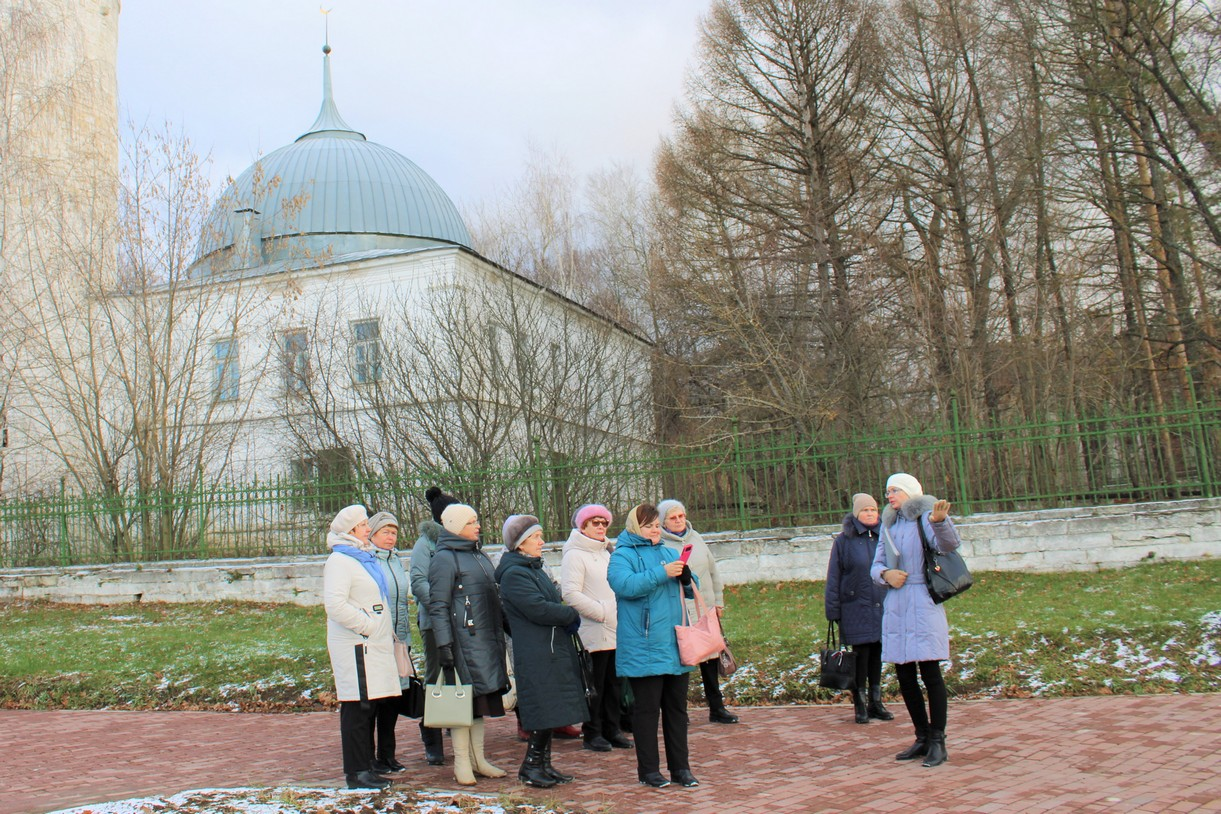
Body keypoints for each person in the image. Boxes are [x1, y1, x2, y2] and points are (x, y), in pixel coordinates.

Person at [871, 473, 962, 768]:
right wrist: (886, 575)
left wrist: (940, 522)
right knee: (905, 675)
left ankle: (938, 740)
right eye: (887, 491)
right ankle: (921, 736)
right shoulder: (889, 524)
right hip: (897, 603)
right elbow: (877, 564)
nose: (889, 496)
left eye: (894, 490)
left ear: (910, 492)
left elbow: (949, 545)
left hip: (923, 600)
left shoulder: (926, 517)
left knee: (930, 672)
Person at [608, 503, 700, 790]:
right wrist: (663, 573)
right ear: (636, 528)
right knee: (647, 713)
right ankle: (648, 771)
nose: (655, 530)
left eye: (657, 525)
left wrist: (686, 577)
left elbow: (690, 585)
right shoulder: (622, 555)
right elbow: (625, 586)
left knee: (677, 711)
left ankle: (681, 769)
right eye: (649, 526)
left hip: (674, 643)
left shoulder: (668, 552)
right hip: (644, 645)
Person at [496, 514, 589, 788]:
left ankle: (543, 764)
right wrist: (570, 613)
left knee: (551, 709)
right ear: (521, 543)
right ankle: (531, 766)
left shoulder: (532, 568)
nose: (542, 541)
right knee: (541, 708)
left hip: (549, 647)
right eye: (536, 537)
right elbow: (538, 608)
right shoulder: (515, 574)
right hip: (536, 651)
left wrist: (563, 612)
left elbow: (551, 599)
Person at [426, 502, 510, 786]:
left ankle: (479, 760)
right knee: (461, 703)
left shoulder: (478, 554)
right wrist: (444, 645)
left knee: (480, 701)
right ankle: (462, 762)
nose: (478, 526)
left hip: (486, 639)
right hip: (462, 641)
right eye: (471, 522)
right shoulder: (444, 558)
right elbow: (438, 605)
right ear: (455, 526)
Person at [322, 504, 401, 790]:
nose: (369, 529)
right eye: (364, 525)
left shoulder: (361, 558)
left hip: (371, 645)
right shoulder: (340, 561)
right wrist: (367, 625)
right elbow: (335, 605)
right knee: (356, 708)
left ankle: (367, 766)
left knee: (369, 706)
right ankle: (356, 771)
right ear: (352, 530)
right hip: (356, 645)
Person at [657, 498, 738, 725]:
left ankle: (716, 707)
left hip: (705, 606)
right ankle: (678, 710)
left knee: (711, 657)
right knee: (685, 656)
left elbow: (713, 572)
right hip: (681, 608)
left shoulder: (697, 538)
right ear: (664, 522)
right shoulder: (661, 545)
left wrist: (718, 602)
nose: (679, 521)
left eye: (681, 516)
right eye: (673, 518)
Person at [560, 503, 633, 753]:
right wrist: (601, 612)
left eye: (604, 523)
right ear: (583, 526)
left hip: (616, 627)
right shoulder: (574, 554)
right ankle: (593, 732)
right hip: (595, 629)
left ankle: (613, 729)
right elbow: (570, 593)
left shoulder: (607, 551)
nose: (601, 527)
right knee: (596, 685)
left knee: (615, 683)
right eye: (595, 523)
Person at [826, 494, 894, 724]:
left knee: (877, 654)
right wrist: (833, 609)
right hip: (855, 607)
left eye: (873, 510)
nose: (870, 514)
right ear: (856, 513)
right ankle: (860, 703)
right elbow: (834, 577)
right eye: (865, 510)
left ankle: (876, 702)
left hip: (882, 604)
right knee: (860, 656)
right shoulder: (844, 541)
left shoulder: (884, 537)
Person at [408, 486, 457, 766]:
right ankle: (431, 735)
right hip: (434, 623)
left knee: (455, 678)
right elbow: (419, 583)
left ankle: (453, 719)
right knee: (436, 678)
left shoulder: (459, 541)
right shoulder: (424, 545)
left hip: (459, 623)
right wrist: (443, 608)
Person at [368, 511, 412, 774]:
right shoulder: (369, 561)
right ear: (372, 534)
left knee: (395, 696)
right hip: (379, 638)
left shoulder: (396, 560)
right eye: (385, 532)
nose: (390, 537)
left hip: (400, 638)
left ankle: (388, 754)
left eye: (394, 532)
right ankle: (371, 755)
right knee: (378, 698)